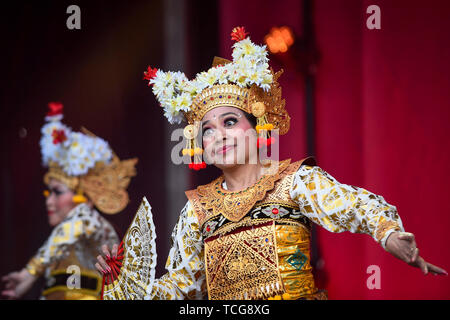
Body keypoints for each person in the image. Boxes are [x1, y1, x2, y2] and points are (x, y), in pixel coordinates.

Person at [96, 27, 447, 300]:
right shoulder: (197, 210)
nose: (218, 135)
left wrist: (387, 233)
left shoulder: (294, 181)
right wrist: (126, 281)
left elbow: (354, 204)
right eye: (207, 130)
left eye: (230, 122)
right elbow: (183, 286)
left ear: (257, 128)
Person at [1, 103, 138, 300]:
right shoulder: (55, 245)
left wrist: (28, 273)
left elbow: (69, 231)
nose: (49, 201)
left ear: (87, 199)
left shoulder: (91, 222)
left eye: (58, 192)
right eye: (48, 192)